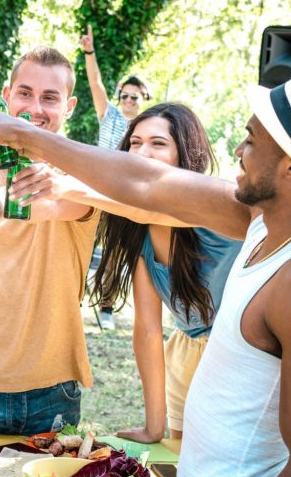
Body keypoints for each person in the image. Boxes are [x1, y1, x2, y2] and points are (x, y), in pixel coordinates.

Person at [0, 66, 291, 477]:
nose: (238, 150)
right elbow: (148, 184)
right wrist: (30, 139)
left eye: (252, 141)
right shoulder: (275, 215)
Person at [0, 47, 189, 435]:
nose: (35, 108)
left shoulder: (85, 174)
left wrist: (5, 202)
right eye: (25, 93)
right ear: (6, 95)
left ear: (70, 106)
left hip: (53, 391)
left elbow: (60, 203)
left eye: (50, 97)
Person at [89, 104, 241, 443]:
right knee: (180, 475)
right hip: (184, 356)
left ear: (184, 155)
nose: (143, 153)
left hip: (236, 358)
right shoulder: (141, 231)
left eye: (158, 144)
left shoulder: (218, 209)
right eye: (135, 143)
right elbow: (146, 329)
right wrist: (153, 427)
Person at [80, 25, 152, 326]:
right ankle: (73, 300)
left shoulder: (148, 125)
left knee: (114, 253)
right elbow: (95, 83)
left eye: (134, 97)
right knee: (81, 243)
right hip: (96, 190)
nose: (129, 100)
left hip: (124, 196)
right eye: (125, 95)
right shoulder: (108, 115)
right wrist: (89, 51)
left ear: (143, 99)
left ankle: (107, 308)